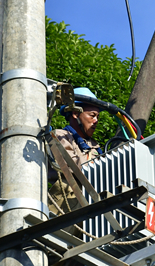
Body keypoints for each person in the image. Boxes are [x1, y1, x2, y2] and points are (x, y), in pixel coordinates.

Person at [48, 87, 103, 216]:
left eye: (97, 117)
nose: (96, 121)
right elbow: (74, 168)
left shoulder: (94, 146)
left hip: (89, 200)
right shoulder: (60, 136)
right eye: (92, 116)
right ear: (75, 114)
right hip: (65, 204)